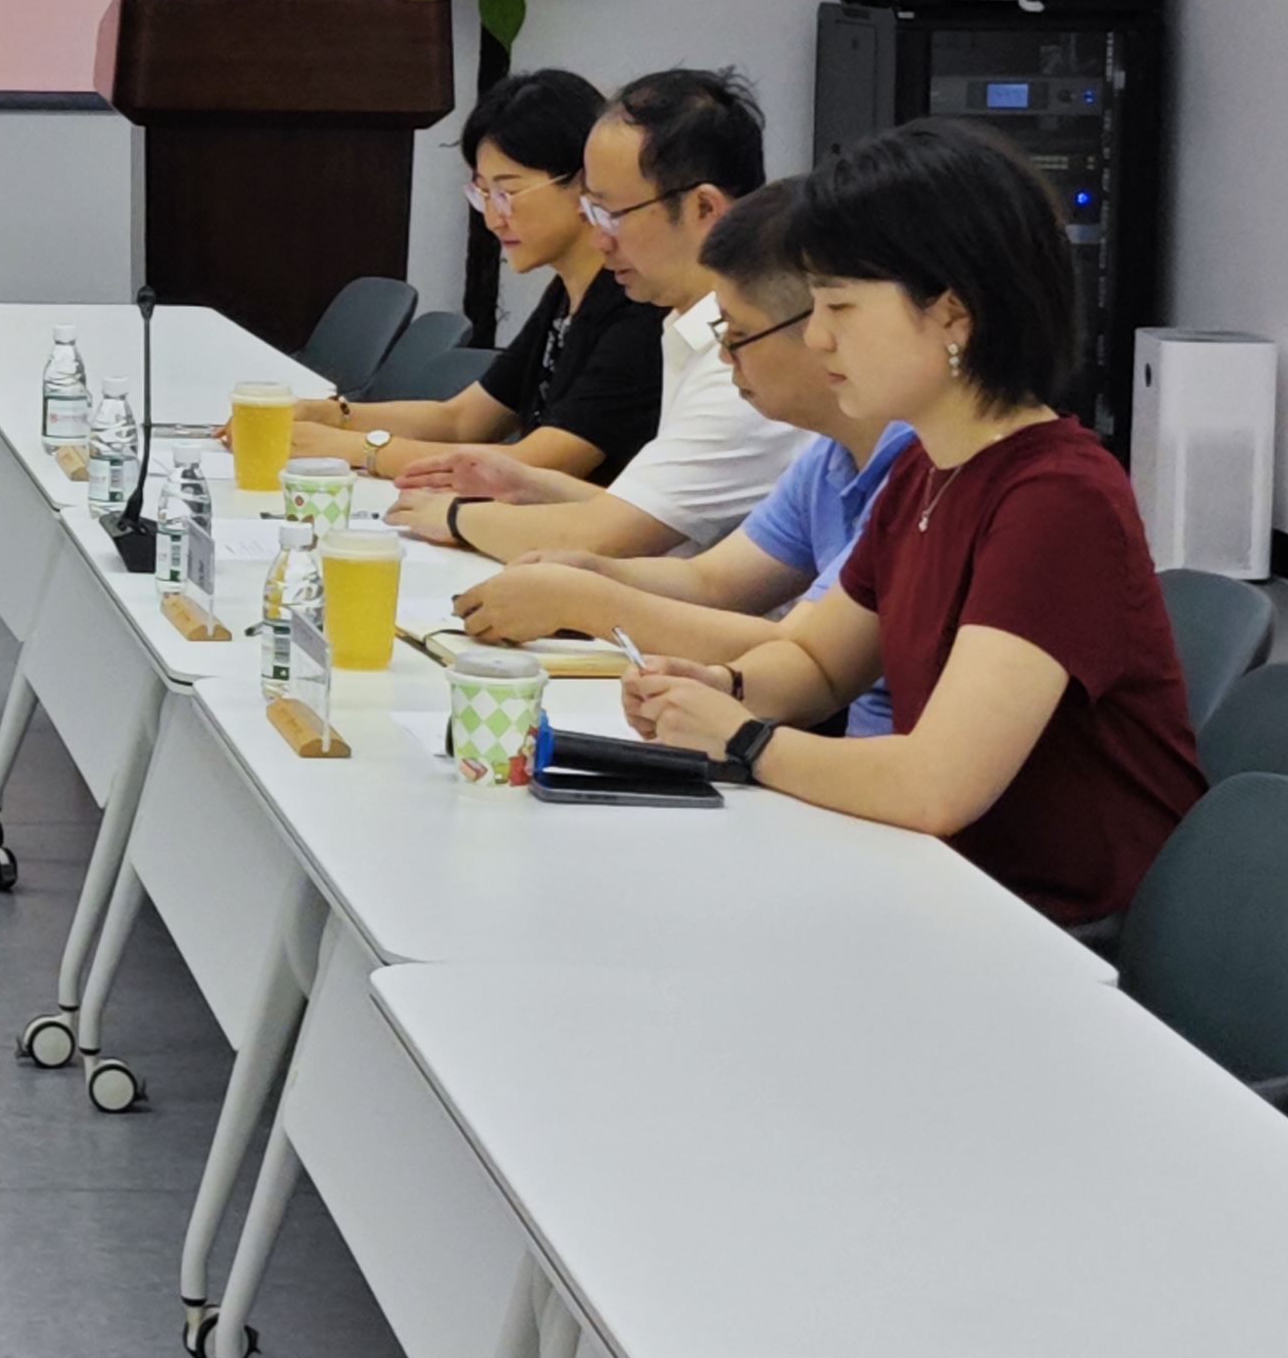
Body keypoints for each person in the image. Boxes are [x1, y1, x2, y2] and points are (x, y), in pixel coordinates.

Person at [623, 120, 1205, 930]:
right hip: (940, 883)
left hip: (1052, 931)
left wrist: (745, 739)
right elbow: (819, 663)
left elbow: (936, 786)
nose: (817, 336)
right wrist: (721, 689)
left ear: (953, 314)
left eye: (840, 306)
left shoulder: (1058, 501)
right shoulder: (927, 470)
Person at [451, 178, 913, 731]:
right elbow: (714, 581)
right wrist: (593, 571)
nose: (724, 354)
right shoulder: (830, 454)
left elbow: (804, 652)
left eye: (738, 333)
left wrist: (585, 600)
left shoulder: (915, 466)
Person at [390, 65, 798, 564]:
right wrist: (528, 484)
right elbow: (655, 515)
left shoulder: (747, 354)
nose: (599, 239)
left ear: (703, 209)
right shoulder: (685, 324)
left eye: (613, 214)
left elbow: (610, 535)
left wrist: (455, 517)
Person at [279, 67, 657, 488]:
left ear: (585, 183)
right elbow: (462, 419)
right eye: (484, 194)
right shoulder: (567, 295)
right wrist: (333, 415)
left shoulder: (638, 307)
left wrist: (350, 448)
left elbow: (535, 464)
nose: (494, 218)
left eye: (508, 193)